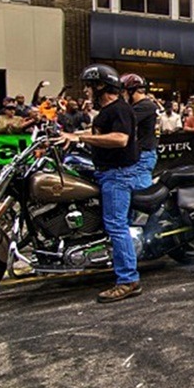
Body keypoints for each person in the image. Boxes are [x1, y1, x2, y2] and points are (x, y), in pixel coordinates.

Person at [55, 64, 142, 303]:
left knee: (116, 225)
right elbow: (98, 131)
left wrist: (79, 136)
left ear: (101, 86)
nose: (85, 91)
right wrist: (66, 136)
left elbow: (120, 138)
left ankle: (128, 280)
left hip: (118, 174)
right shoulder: (106, 112)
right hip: (104, 171)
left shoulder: (120, 109)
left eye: (88, 86)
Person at [121, 73, 158, 190]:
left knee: (141, 196)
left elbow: (121, 124)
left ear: (131, 91)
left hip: (143, 155)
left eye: (124, 92)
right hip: (139, 153)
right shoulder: (140, 106)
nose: (123, 96)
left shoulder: (145, 106)